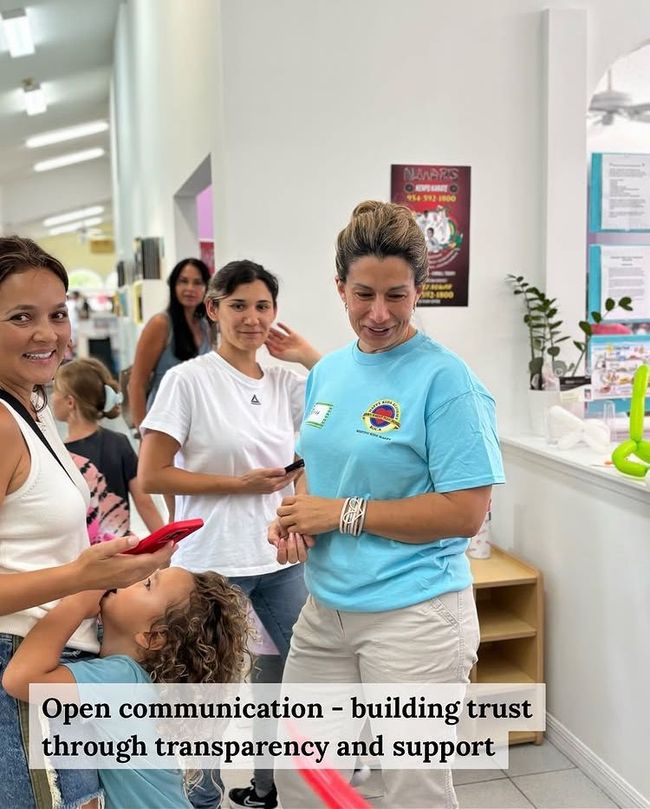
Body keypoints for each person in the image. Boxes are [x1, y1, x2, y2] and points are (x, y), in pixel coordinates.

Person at [269, 201, 506, 809]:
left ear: (418, 290)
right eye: (364, 294)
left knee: (411, 790)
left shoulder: (446, 381)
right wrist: (298, 518)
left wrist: (341, 513)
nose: (379, 313)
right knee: (306, 781)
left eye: (396, 296)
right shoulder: (327, 372)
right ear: (340, 288)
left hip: (416, 616)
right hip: (326, 609)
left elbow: (465, 512)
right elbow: (311, 467)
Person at [0, 235, 175, 809]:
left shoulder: (32, 405)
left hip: (54, 659)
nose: (47, 334)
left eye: (57, 314)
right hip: (20, 670)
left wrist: (104, 571)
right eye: (21, 317)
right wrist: (83, 579)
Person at [138, 259, 320, 809]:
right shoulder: (188, 380)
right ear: (213, 309)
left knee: (288, 680)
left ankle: (267, 787)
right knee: (208, 689)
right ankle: (203, 796)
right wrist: (237, 486)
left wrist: (308, 355)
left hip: (280, 560)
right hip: (211, 563)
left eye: (263, 306)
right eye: (238, 305)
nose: (252, 318)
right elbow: (152, 474)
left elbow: (321, 444)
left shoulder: (290, 382)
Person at [3, 567, 251, 809]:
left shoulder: (120, 678)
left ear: (153, 637)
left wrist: (78, 599)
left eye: (148, 584)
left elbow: (20, 680)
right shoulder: (137, 680)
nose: (137, 578)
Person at [53, 357, 165, 540]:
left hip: (83, 553)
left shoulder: (59, 455)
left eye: (56, 390)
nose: (52, 397)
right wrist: (166, 542)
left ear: (70, 402)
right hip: (122, 548)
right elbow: (145, 503)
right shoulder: (119, 442)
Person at [128, 258, 212, 433]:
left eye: (197, 283)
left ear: (206, 288)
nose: (190, 288)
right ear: (174, 285)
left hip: (197, 421)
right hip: (162, 420)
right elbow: (136, 383)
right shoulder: (161, 324)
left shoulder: (205, 326)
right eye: (183, 281)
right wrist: (143, 433)